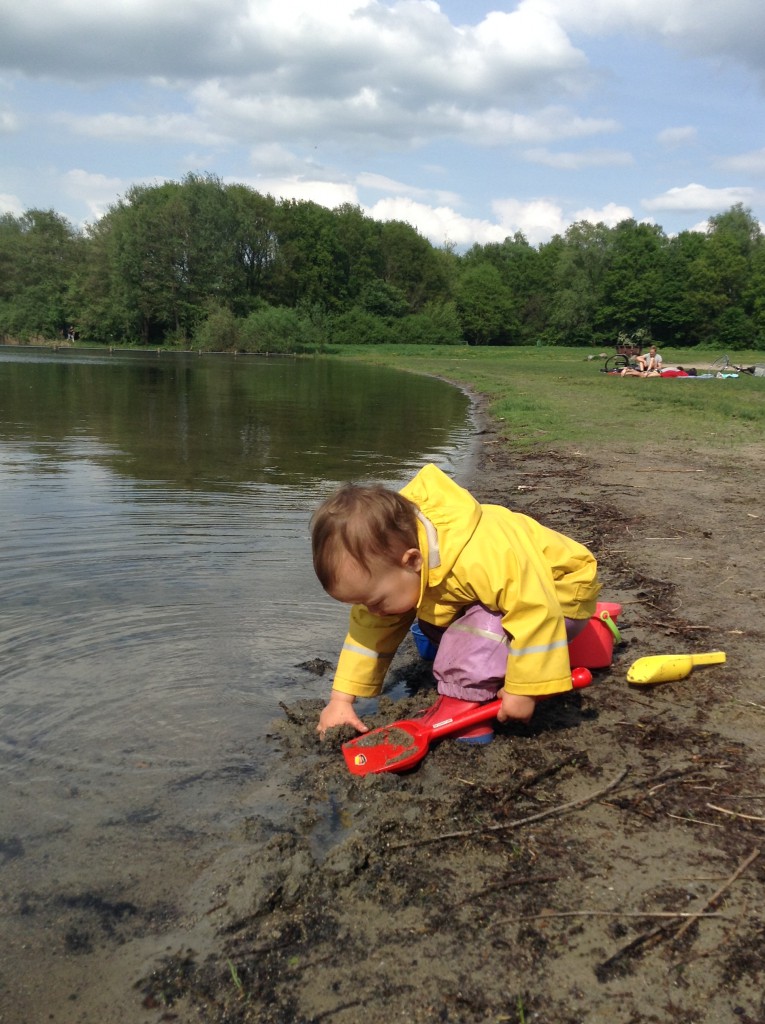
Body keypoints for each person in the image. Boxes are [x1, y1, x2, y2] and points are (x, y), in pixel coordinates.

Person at [311, 464, 601, 743]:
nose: (371, 610)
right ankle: (493, 670)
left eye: (373, 601)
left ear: (412, 560)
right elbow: (369, 631)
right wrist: (341, 699)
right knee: (427, 617)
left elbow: (535, 609)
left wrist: (525, 689)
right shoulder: (401, 564)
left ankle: (464, 708)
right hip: (518, 598)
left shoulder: (480, 555)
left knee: (480, 631)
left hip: (559, 595)